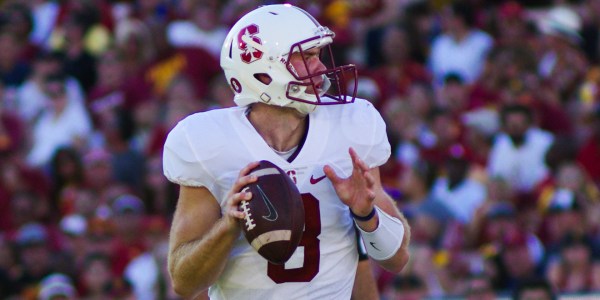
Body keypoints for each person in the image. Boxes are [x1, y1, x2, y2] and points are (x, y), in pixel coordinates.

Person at [162, 4, 410, 299]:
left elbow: (396, 259)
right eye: (305, 57)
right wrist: (227, 226)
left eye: (317, 55)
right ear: (263, 71)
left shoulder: (352, 123)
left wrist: (366, 214)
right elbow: (184, 283)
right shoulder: (207, 141)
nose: (319, 67)